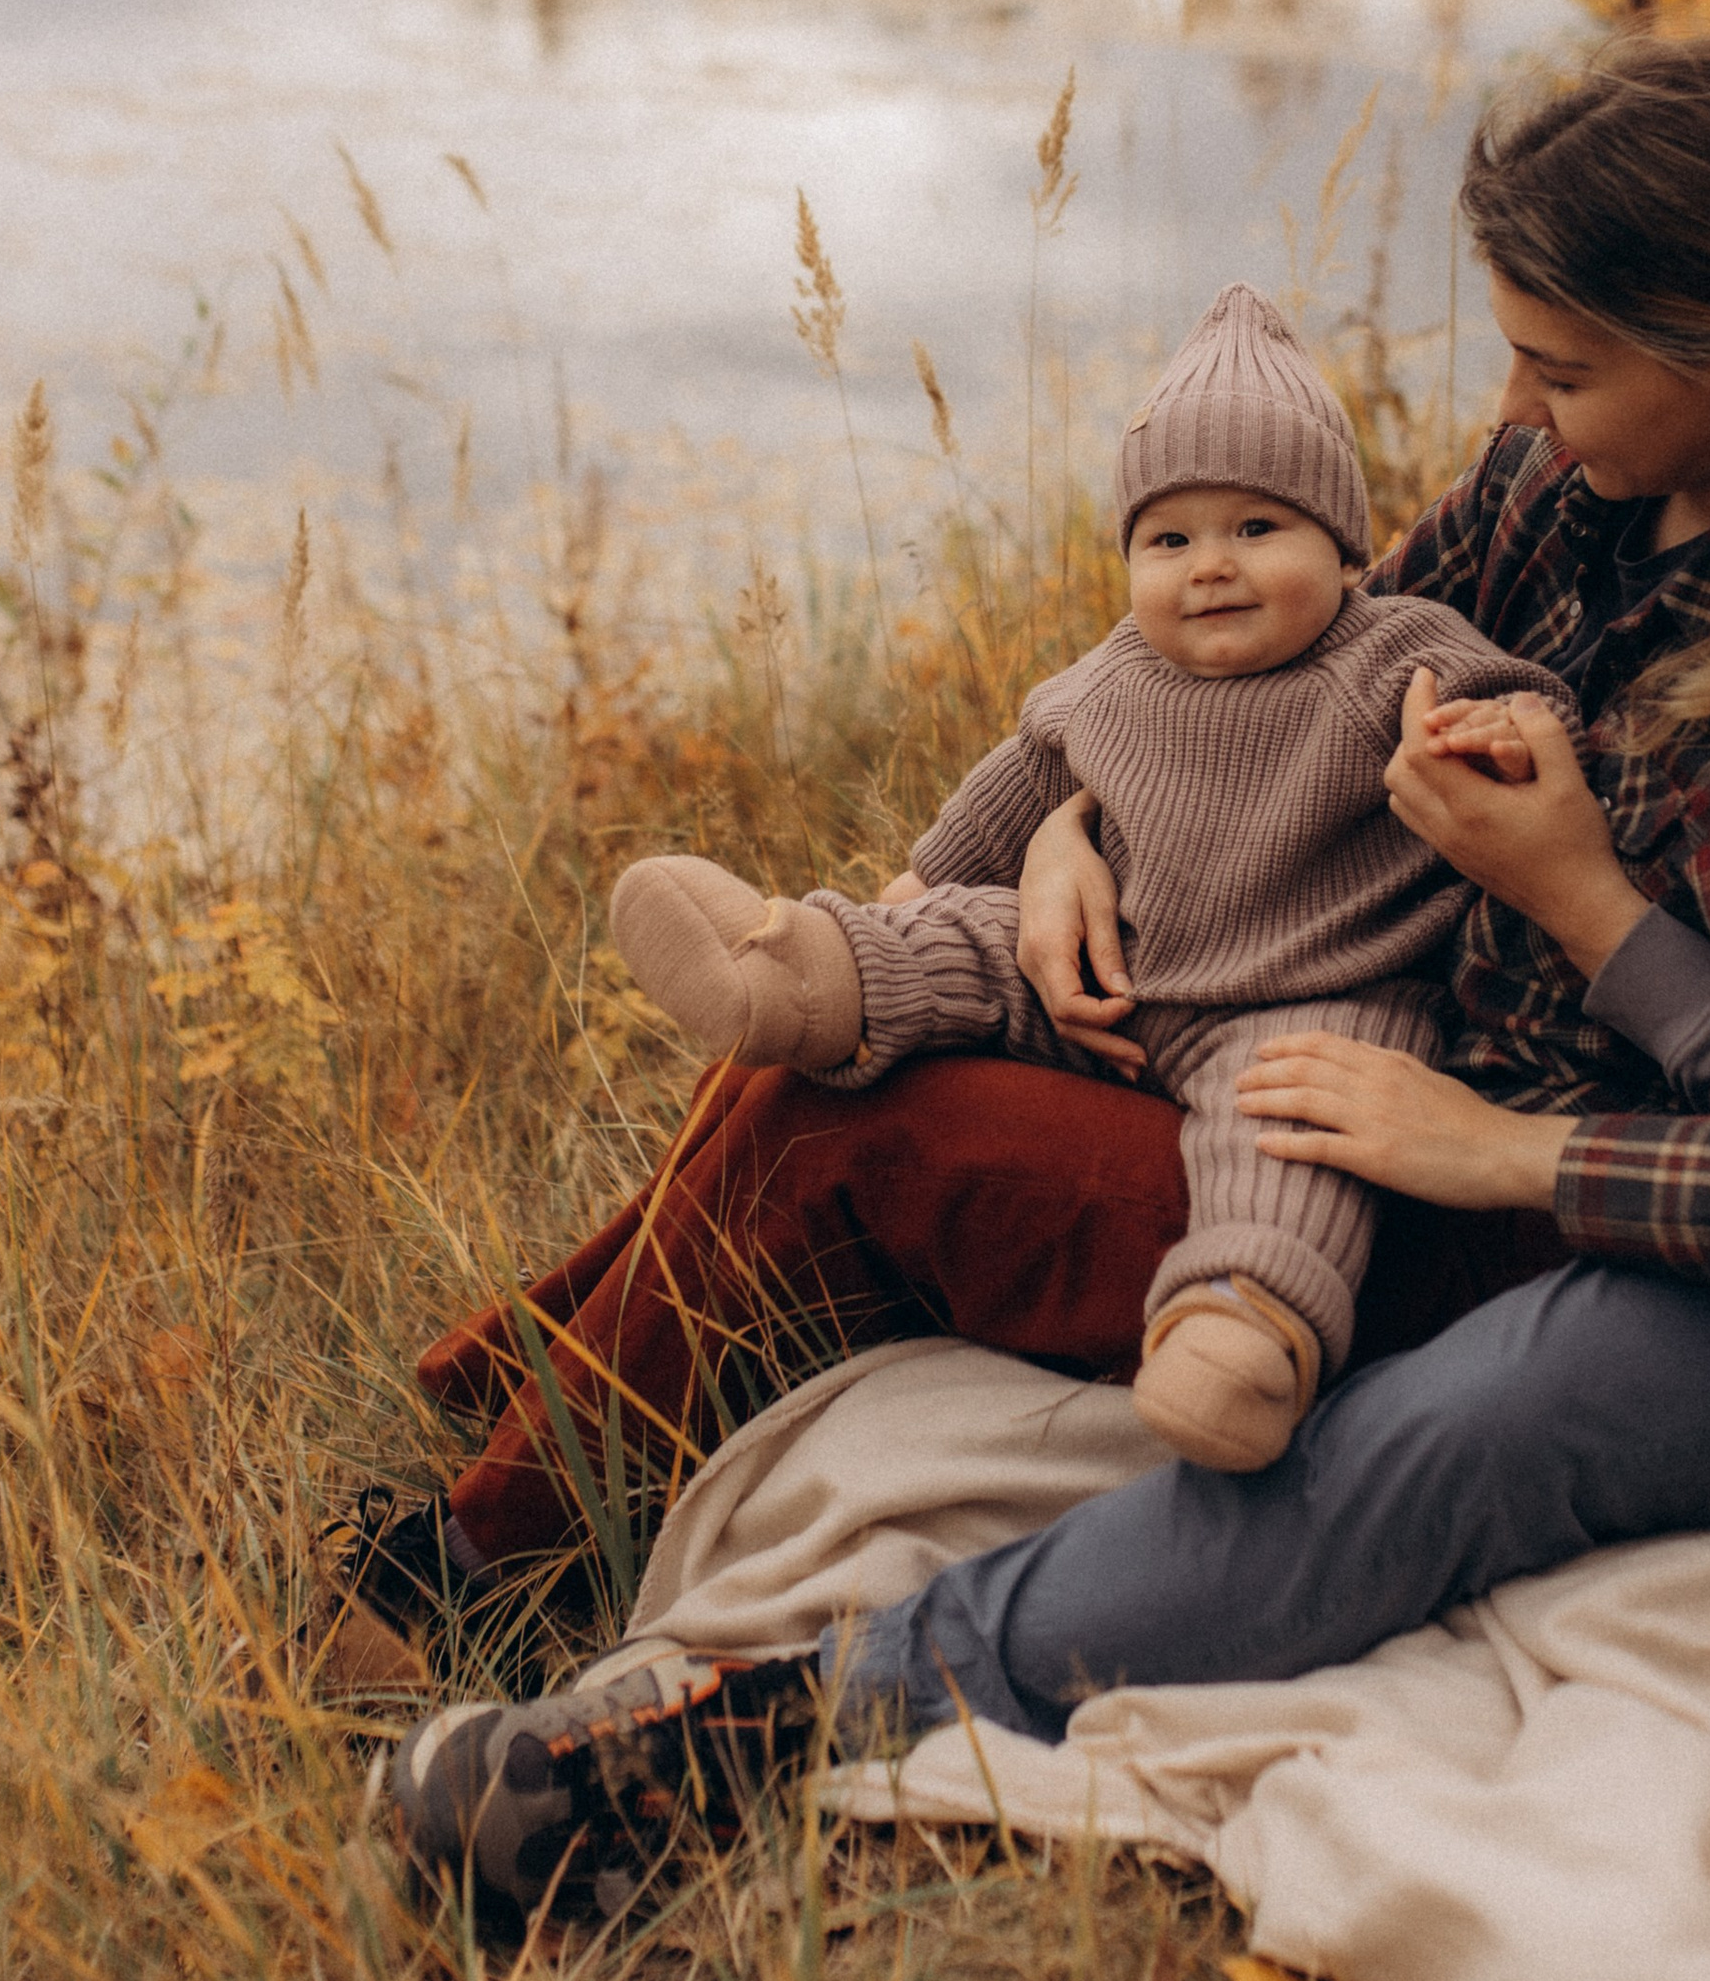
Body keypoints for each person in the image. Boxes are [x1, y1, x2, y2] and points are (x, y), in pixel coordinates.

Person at [386, 33, 1710, 1918]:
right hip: (1283, 991)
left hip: (1435, 1178)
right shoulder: (1578, 486)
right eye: (1515, 349)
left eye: (1564, 363)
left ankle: (476, 1572)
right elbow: (1279, 672)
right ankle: (515, 1417)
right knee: (836, 993)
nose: (1514, 404)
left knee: (861, 1124)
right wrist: (1074, 839)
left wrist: (1573, 948)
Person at [603, 283, 1574, 1470]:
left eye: (1257, 529)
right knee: (965, 936)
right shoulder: (1111, 676)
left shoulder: (1395, 649)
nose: (1210, 566)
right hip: (1114, 979)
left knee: (1282, 1148)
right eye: (1170, 539)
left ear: (1343, 546)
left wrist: (1499, 738)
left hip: (1304, 1001)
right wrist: (900, 907)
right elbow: (1002, 800)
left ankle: (1236, 1324)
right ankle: (794, 969)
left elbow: (1521, 702)